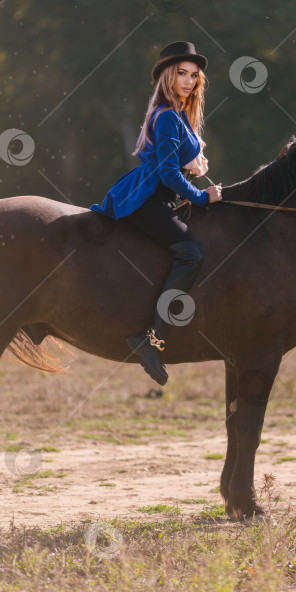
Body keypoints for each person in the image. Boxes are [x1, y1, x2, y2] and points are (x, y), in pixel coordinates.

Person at [89, 41, 223, 385]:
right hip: (148, 198)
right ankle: (150, 339)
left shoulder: (178, 115)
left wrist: (192, 166)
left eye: (194, 75)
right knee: (191, 254)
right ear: (168, 76)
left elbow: (174, 165)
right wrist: (201, 198)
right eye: (182, 73)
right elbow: (166, 173)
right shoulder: (166, 116)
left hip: (160, 197)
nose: (189, 80)